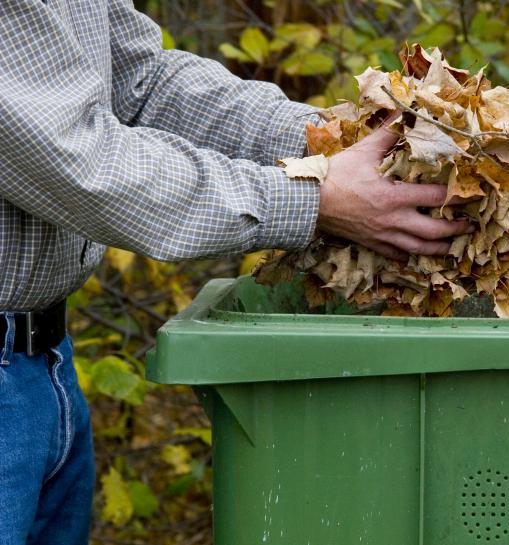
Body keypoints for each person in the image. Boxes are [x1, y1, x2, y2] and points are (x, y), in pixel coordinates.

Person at [0, 1, 470, 544]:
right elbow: (79, 161)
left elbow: (141, 86)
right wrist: (312, 197)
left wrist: (334, 140)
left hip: (44, 368)